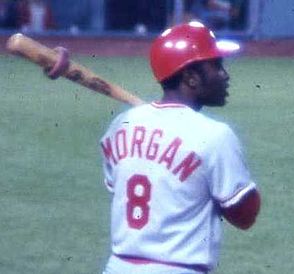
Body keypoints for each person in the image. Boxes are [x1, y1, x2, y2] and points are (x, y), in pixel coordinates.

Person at [100, 21, 261, 274]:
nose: (225, 75)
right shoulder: (216, 135)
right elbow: (245, 215)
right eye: (216, 66)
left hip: (118, 266)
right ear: (190, 77)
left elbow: (118, 187)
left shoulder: (122, 124)